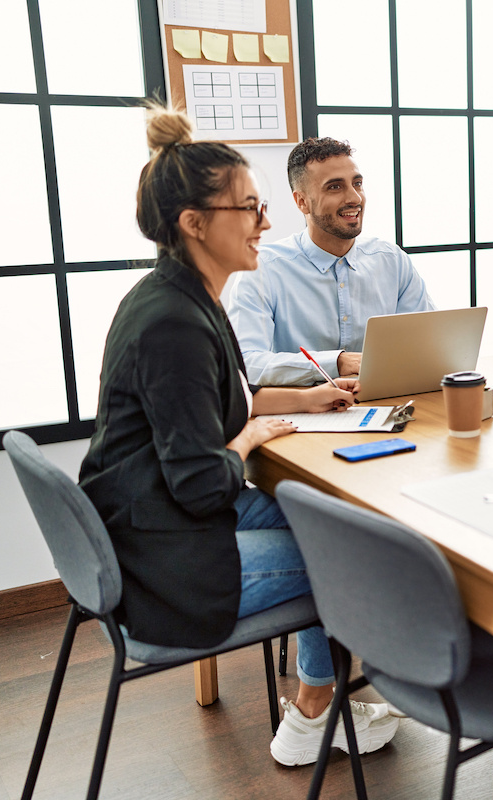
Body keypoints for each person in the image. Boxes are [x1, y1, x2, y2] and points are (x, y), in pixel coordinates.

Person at [78, 107, 403, 767]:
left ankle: (318, 702)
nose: (266, 222)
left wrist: (295, 400)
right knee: (342, 551)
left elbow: (217, 406)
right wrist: (250, 438)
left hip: (148, 514)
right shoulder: (175, 323)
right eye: (249, 207)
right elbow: (202, 484)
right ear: (194, 223)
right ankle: (315, 712)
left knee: (330, 519)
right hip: (159, 557)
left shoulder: (183, 297)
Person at [225, 137, 435, 386]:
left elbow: (428, 345)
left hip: (385, 404)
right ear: (302, 201)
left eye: (357, 184)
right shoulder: (263, 269)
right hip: (302, 413)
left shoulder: (391, 260)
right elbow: (246, 363)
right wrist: (337, 362)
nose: (354, 197)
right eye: (335, 187)